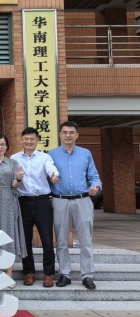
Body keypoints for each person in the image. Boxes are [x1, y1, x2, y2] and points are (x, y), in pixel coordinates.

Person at [49, 121, 102, 290]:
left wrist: (96, 187)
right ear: (60, 135)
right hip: (59, 200)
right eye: (65, 132)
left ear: (77, 135)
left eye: (71, 132)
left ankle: (87, 275)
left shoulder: (86, 154)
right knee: (61, 240)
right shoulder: (51, 155)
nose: (68, 135)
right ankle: (65, 274)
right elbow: (46, 177)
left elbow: (94, 176)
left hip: (82, 200)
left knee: (86, 240)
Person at [11, 127, 60, 288]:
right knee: (25, 240)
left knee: (47, 239)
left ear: (38, 140)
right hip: (23, 202)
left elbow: (51, 169)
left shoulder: (44, 157)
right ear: (21, 140)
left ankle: (48, 274)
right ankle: (29, 272)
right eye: (26, 138)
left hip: (42, 202)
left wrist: (54, 176)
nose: (29, 141)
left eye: (32, 139)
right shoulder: (14, 159)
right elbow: (12, 181)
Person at [0, 134, 27, 287]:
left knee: (9, 234)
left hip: (9, 199)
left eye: (3, 144)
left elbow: (14, 185)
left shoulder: (13, 163)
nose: (0, 147)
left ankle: (9, 273)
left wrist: (19, 178)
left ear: (7, 147)